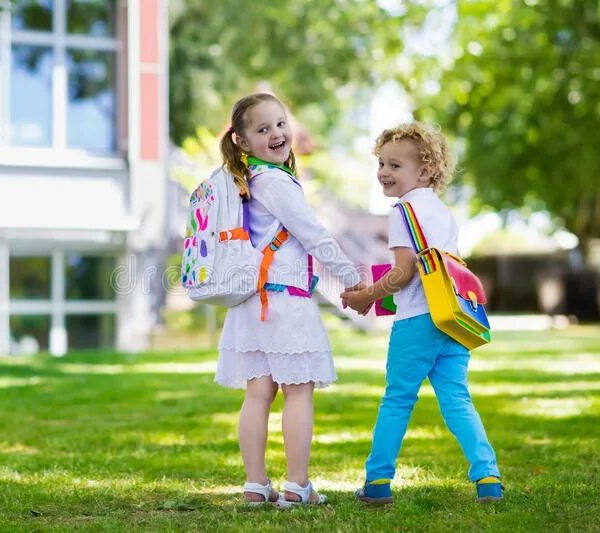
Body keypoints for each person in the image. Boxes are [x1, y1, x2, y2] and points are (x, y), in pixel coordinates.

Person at [214, 93, 364, 507]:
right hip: (283, 302)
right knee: (299, 391)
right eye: (263, 129)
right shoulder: (275, 182)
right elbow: (312, 234)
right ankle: (297, 486)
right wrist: (352, 278)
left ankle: (255, 485)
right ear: (242, 142)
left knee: (257, 393)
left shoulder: (247, 182)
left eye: (281, 123)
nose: (278, 133)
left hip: (253, 303)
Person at [341, 122, 503, 504]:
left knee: (397, 398)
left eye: (395, 165)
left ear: (425, 170)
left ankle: (377, 483)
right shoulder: (442, 211)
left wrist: (367, 296)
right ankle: (488, 478)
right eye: (381, 163)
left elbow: (403, 272)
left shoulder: (403, 211)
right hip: (453, 320)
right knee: (457, 399)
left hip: (417, 320)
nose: (383, 172)